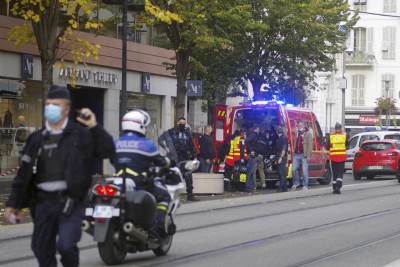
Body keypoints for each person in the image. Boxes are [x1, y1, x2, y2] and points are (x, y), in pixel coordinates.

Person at [4, 85, 115, 267]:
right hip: (42, 204)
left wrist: (95, 126)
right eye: (48, 104)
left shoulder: (80, 135)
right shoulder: (36, 139)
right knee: (40, 248)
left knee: (66, 246)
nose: (50, 108)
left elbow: (107, 150)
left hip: (70, 203)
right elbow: (23, 175)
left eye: (55, 105)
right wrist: (12, 205)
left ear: (66, 109)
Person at [114, 109, 171, 232]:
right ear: (140, 125)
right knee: (164, 196)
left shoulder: (115, 142)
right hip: (138, 182)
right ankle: (158, 226)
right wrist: (169, 162)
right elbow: (161, 161)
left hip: (117, 181)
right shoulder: (146, 144)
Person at [165, 117, 199, 201]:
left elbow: (191, 145)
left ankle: (190, 195)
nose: (182, 125)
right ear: (177, 123)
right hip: (175, 158)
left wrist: (194, 155)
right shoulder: (171, 132)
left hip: (185, 157)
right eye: (181, 123)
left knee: (188, 176)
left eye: (184, 123)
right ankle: (171, 195)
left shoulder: (187, 133)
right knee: (174, 176)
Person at [291, 121, 313, 191]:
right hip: (296, 154)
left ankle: (305, 185)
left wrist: (309, 155)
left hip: (304, 155)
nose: (299, 126)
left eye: (301, 125)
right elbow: (295, 143)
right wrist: (293, 152)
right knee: (293, 170)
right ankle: (296, 182)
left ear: (304, 126)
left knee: (304, 171)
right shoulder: (297, 133)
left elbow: (310, 145)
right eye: (298, 125)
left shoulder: (308, 133)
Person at [328, 122, 347, 194]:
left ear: (335, 129)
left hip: (333, 157)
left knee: (335, 173)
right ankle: (338, 187)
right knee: (340, 173)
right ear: (341, 128)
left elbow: (327, 146)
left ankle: (334, 187)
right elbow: (347, 144)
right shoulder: (344, 136)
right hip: (342, 157)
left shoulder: (331, 136)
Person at [246, 126, 267, 190]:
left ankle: (254, 185)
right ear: (256, 129)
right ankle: (263, 184)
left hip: (255, 156)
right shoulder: (258, 136)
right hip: (260, 156)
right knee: (261, 170)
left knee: (254, 171)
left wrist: (251, 150)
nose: (259, 130)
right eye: (258, 129)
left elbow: (247, 141)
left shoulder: (252, 135)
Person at [276, 127, 289, 192]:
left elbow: (284, 149)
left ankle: (281, 188)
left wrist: (280, 158)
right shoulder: (285, 138)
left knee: (281, 174)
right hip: (284, 157)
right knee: (283, 173)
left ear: (277, 132)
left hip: (281, 157)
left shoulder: (282, 139)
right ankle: (285, 188)